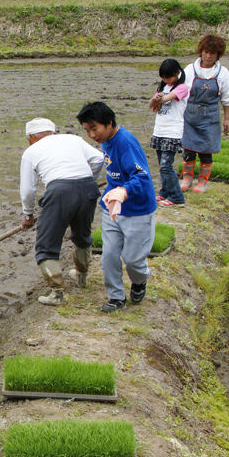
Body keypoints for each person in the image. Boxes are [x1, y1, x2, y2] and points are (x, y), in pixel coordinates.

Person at [77, 102, 157, 313]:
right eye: (87, 130)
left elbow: (142, 177)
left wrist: (124, 191)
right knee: (109, 255)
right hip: (111, 207)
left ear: (109, 123)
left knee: (132, 259)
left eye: (94, 129)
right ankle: (116, 297)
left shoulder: (126, 143)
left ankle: (140, 281)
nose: (92, 135)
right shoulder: (106, 140)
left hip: (137, 209)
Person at [19, 117, 105, 306]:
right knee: (83, 234)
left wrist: (28, 216)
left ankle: (57, 293)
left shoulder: (31, 151)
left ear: (32, 136)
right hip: (88, 188)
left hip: (59, 191)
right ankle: (81, 276)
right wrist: (90, 179)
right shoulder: (73, 139)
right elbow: (99, 159)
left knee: (47, 244)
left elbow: (28, 190)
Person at [179, 34, 229, 193]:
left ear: (218, 55)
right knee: (188, 149)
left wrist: (226, 119)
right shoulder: (190, 70)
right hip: (190, 114)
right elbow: (181, 91)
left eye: (212, 53)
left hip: (210, 116)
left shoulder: (223, 74)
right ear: (201, 51)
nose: (208, 56)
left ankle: (202, 181)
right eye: (205, 52)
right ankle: (187, 178)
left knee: (206, 151)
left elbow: (227, 97)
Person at [148, 58, 189, 207]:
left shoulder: (182, 88)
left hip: (172, 132)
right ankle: (165, 192)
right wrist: (156, 98)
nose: (166, 80)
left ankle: (177, 197)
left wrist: (159, 99)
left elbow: (166, 99)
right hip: (159, 131)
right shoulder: (163, 87)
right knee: (162, 165)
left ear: (178, 73)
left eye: (169, 77)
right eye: (163, 77)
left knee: (166, 165)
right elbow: (151, 105)